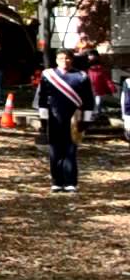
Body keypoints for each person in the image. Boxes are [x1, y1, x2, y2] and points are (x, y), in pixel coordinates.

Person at [34, 49, 94, 193]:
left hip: (74, 118)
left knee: (70, 151)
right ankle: (56, 181)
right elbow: (43, 98)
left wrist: (85, 120)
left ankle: (70, 182)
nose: (64, 61)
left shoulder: (81, 76)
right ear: (56, 60)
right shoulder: (48, 75)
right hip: (54, 117)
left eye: (67, 58)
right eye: (61, 58)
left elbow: (88, 100)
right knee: (55, 151)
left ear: (71, 59)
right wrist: (43, 119)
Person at [87, 50, 114, 118]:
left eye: (93, 55)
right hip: (88, 88)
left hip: (99, 89)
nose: (91, 57)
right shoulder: (85, 67)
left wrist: (111, 87)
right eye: (90, 55)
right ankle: (88, 118)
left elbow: (106, 78)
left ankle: (96, 114)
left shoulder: (101, 68)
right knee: (89, 103)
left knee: (98, 102)